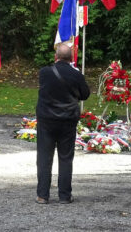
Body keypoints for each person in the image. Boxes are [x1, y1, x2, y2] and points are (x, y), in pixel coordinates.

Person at [35, 44, 90, 205]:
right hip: (67, 121)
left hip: (46, 120)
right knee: (66, 158)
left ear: (55, 57)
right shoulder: (76, 75)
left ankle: (42, 195)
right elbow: (85, 94)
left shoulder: (44, 72)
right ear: (72, 59)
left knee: (44, 158)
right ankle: (64, 195)